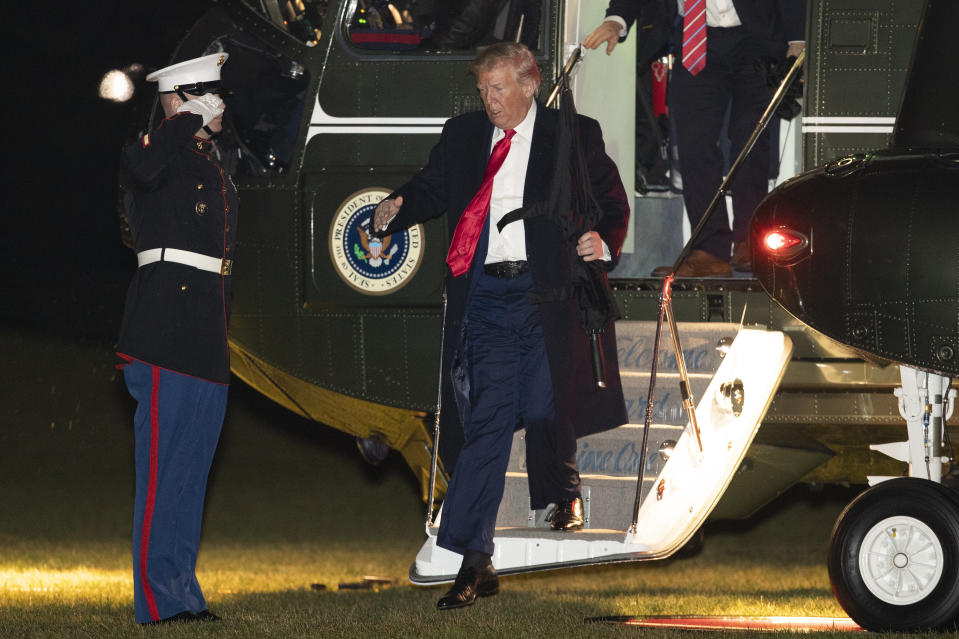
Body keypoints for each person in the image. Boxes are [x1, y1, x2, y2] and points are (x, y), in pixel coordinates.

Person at [372, 41, 630, 610]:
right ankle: (474, 559)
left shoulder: (573, 133)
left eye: (500, 89)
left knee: (543, 405)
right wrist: (397, 206)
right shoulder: (463, 135)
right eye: (483, 90)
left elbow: (611, 200)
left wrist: (604, 240)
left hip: (549, 294)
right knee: (487, 419)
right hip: (486, 295)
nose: (490, 102)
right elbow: (432, 187)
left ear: (531, 84)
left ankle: (562, 488)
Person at [116, 52, 238, 625]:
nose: (216, 104)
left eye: (216, 94)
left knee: (190, 475)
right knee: (163, 472)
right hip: (165, 326)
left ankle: (184, 594)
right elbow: (143, 172)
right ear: (174, 99)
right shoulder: (151, 152)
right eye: (200, 94)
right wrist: (183, 119)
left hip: (206, 331)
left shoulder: (213, 162)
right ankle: (157, 601)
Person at [584, 0, 805, 276]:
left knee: (751, 137)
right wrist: (616, 19)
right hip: (695, 38)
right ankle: (710, 251)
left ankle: (749, 240)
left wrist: (798, 37)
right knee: (693, 143)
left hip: (756, 37)